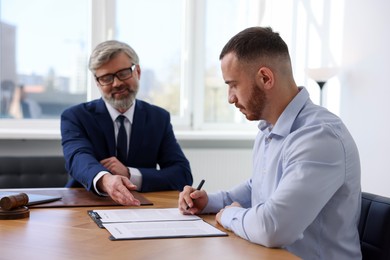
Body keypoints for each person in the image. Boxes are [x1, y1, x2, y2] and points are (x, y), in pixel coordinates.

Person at [178, 27, 361, 259]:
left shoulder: (319, 136)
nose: (230, 98)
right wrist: (208, 202)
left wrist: (228, 215)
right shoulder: (268, 130)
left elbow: (273, 227)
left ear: (265, 78)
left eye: (233, 84)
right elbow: (259, 187)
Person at [61, 40, 193, 206]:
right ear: (97, 83)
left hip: (141, 206)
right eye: (106, 78)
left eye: (123, 73)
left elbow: (182, 174)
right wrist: (106, 180)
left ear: (137, 71)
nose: (116, 83)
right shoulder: (76, 116)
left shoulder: (158, 118)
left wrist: (130, 174)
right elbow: (77, 158)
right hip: (86, 204)